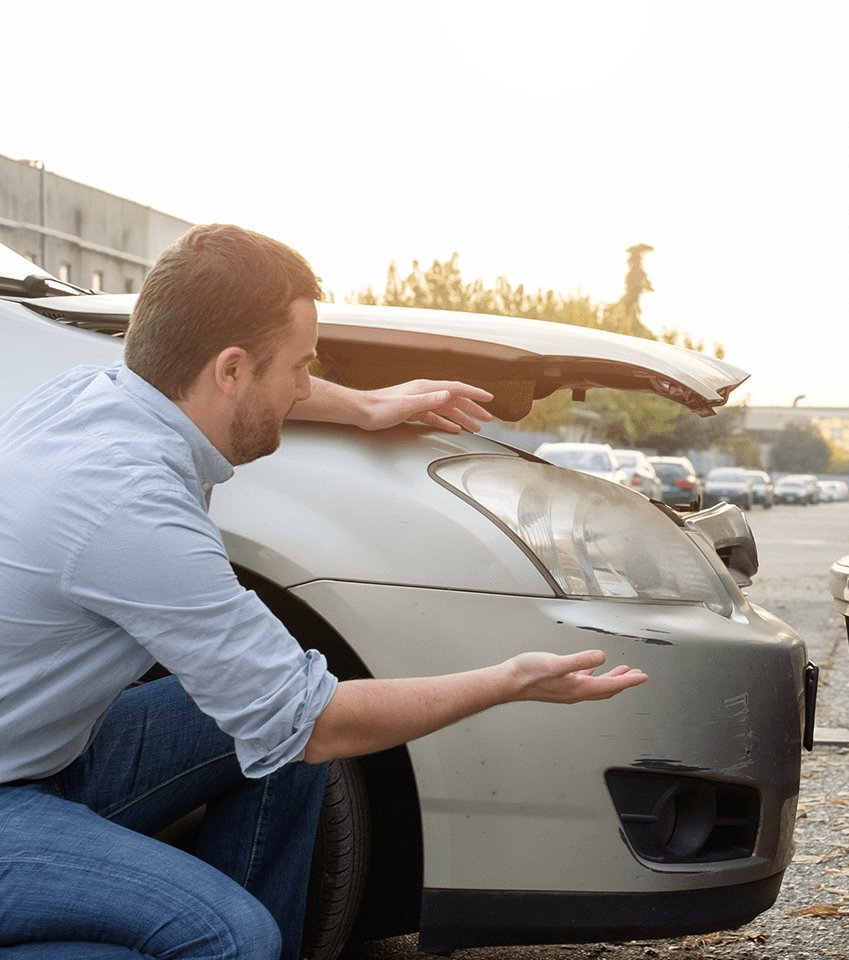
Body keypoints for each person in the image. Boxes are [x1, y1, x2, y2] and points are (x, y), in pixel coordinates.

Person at [0, 224, 649, 960]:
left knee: (261, 736)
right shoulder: (129, 504)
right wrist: (506, 681)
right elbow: (316, 723)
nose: (306, 387)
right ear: (232, 370)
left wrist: (366, 407)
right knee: (226, 934)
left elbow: (283, 725)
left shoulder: (92, 397)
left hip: (39, 760)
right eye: (301, 368)